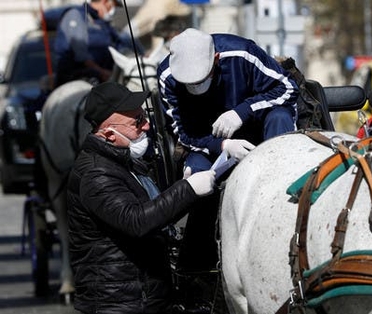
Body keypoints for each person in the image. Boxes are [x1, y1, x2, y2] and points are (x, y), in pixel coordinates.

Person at [66, 81, 216, 314]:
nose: (146, 126)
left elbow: (151, 207)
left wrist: (182, 189)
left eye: (145, 116)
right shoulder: (96, 174)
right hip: (120, 303)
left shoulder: (123, 162)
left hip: (144, 296)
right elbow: (137, 221)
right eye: (137, 122)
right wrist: (187, 189)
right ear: (109, 134)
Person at [157, 27, 299, 177]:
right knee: (195, 173)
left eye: (201, 79)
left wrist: (243, 111)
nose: (195, 86)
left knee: (280, 117)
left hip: (261, 128)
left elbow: (288, 88)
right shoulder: (167, 77)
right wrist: (224, 145)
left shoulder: (243, 53)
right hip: (210, 142)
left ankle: (283, 177)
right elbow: (183, 133)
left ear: (216, 59)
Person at [53, 0, 135, 87]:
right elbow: (81, 54)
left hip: (106, 77)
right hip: (77, 78)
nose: (113, 10)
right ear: (105, 1)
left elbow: (120, 46)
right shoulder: (75, 15)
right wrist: (101, 72)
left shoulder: (104, 24)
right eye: (112, 6)